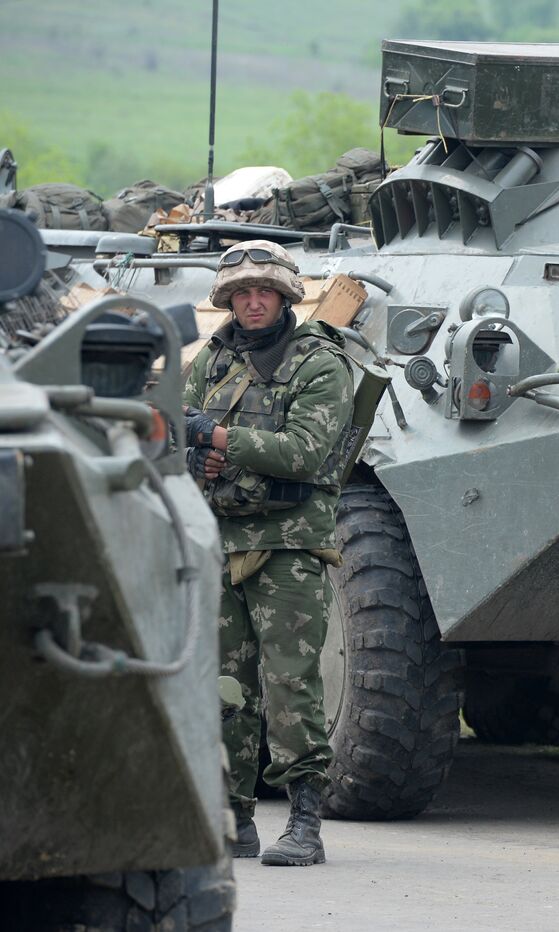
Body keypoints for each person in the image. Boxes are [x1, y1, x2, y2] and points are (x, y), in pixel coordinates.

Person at [183, 240, 354, 867]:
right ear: (228, 300)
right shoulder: (212, 361)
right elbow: (177, 434)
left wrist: (218, 437)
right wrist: (194, 447)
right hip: (220, 540)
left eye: (265, 292)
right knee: (226, 687)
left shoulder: (318, 363)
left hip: (287, 544)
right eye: (242, 293)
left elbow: (305, 453)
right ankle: (234, 819)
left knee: (290, 685)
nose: (253, 302)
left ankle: (305, 822)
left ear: (284, 297)